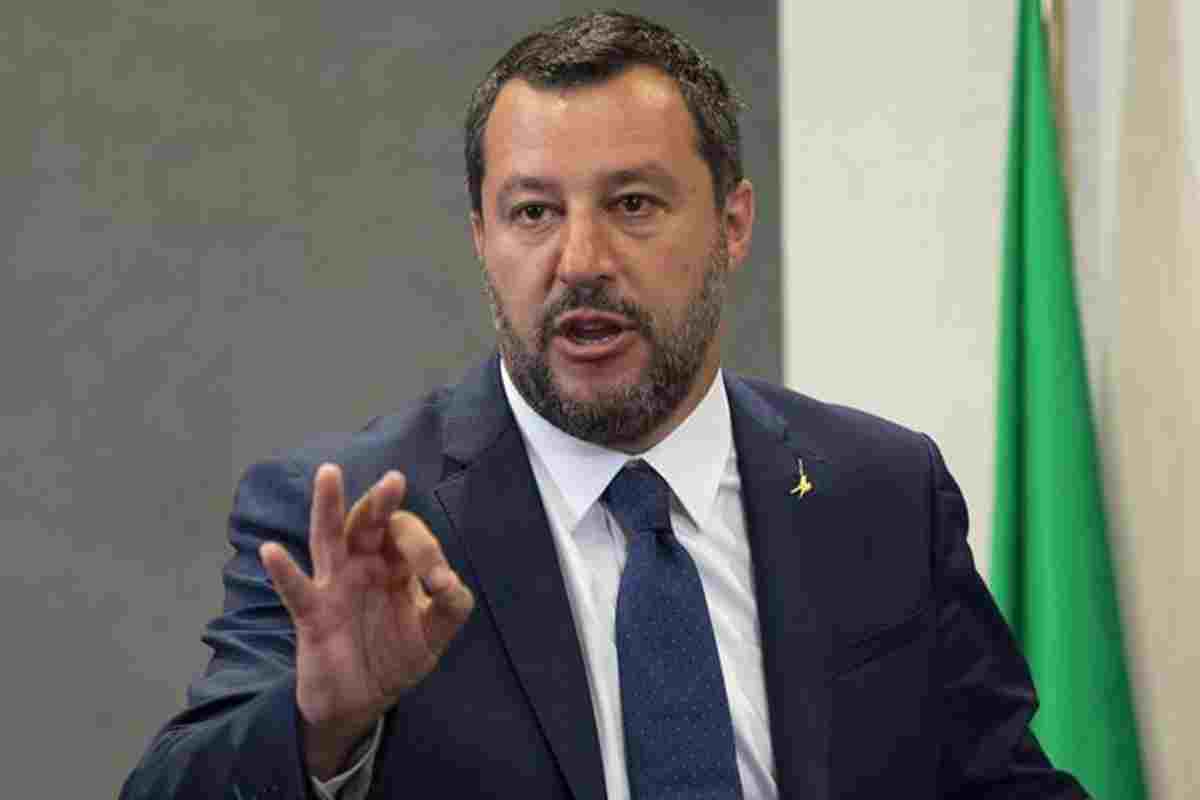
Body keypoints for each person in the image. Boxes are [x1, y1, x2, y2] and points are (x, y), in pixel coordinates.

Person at [122, 11, 1086, 800]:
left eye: (632, 204)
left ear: (733, 224)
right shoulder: (360, 525)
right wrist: (322, 724)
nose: (580, 261)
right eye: (533, 212)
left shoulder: (880, 491)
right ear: (482, 237)